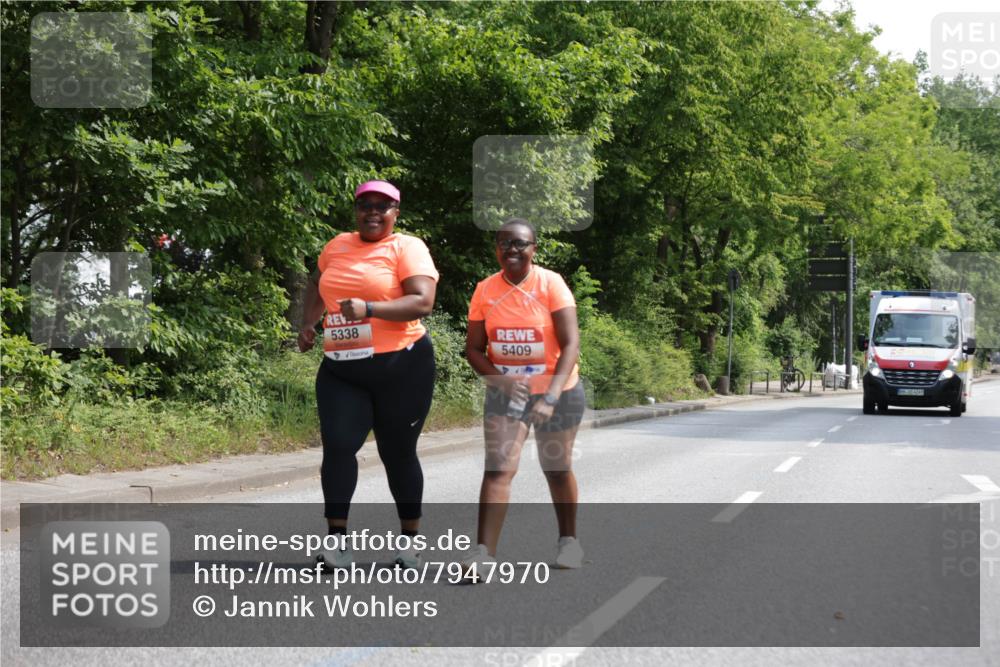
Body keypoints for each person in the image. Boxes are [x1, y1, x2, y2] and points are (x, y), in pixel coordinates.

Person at [297, 180, 438, 570]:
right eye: (365, 205)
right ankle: (337, 543)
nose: (373, 212)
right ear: (356, 209)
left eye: (383, 205)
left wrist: (371, 309)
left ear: (396, 212)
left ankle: (410, 541)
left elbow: (422, 302)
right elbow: (314, 282)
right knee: (339, 448)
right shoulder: (337, 244)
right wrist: (308, 324)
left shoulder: (407, 248)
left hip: (402, 366)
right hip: (342, 369)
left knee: (397, 454)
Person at [462, 218, 585, 578]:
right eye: (504, 243)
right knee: (498, 468)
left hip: (558, 390)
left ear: (534, 249)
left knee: (557, 469)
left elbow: (571, 344)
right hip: (508, 393)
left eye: (520, 244)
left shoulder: (551, 285)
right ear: (496, 248)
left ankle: (569, 541)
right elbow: (473, 349)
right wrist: (500, 382)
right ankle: (483, 554)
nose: (511, 250)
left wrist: (548, 396)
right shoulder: (485, 290)